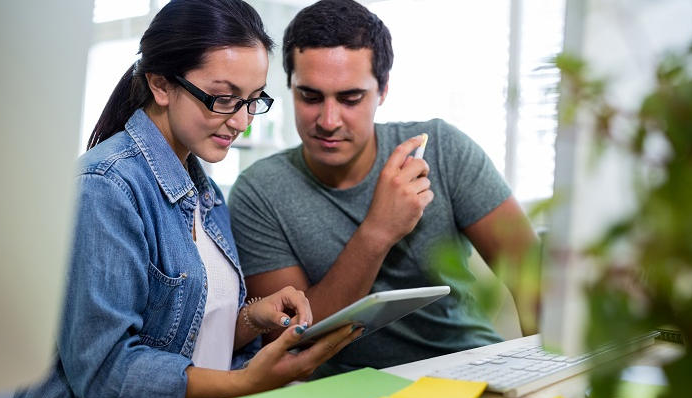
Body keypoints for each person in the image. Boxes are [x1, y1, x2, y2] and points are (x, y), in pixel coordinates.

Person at [10, 1, 361, 398]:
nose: (242, 121)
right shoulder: (105, 187)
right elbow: (105, 373)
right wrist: (247, 382)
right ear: (161, 85)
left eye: (253, 100)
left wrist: (249, 319)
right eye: (224, 98)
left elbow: (179, 338)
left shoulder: (204, 190)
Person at [228, 0, 540, 376]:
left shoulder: (443, 150)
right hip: (345, 390)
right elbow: (294, 336)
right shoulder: (259, 192)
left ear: (383, 90)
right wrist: (378, 231)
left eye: (350, 98)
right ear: (290, 87)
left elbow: (533, 281)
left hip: (469, 370)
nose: (328, 120)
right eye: (310, 97)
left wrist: (545, 379)